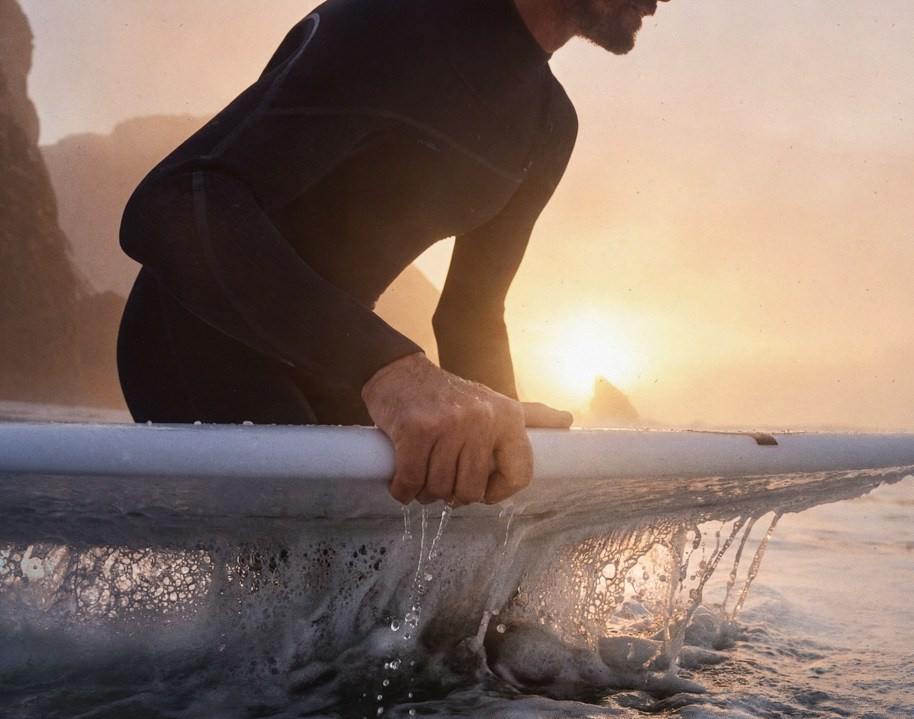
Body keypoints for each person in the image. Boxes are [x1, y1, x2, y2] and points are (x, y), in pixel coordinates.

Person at [117, 0, 668, 506]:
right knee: (324, 590)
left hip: (341, 369)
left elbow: (470, 315)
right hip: (194, 339)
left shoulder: (551, 124)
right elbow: (168, 208)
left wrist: (501, 438)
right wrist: (389, 372)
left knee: (470, 604)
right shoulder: (390, 22)